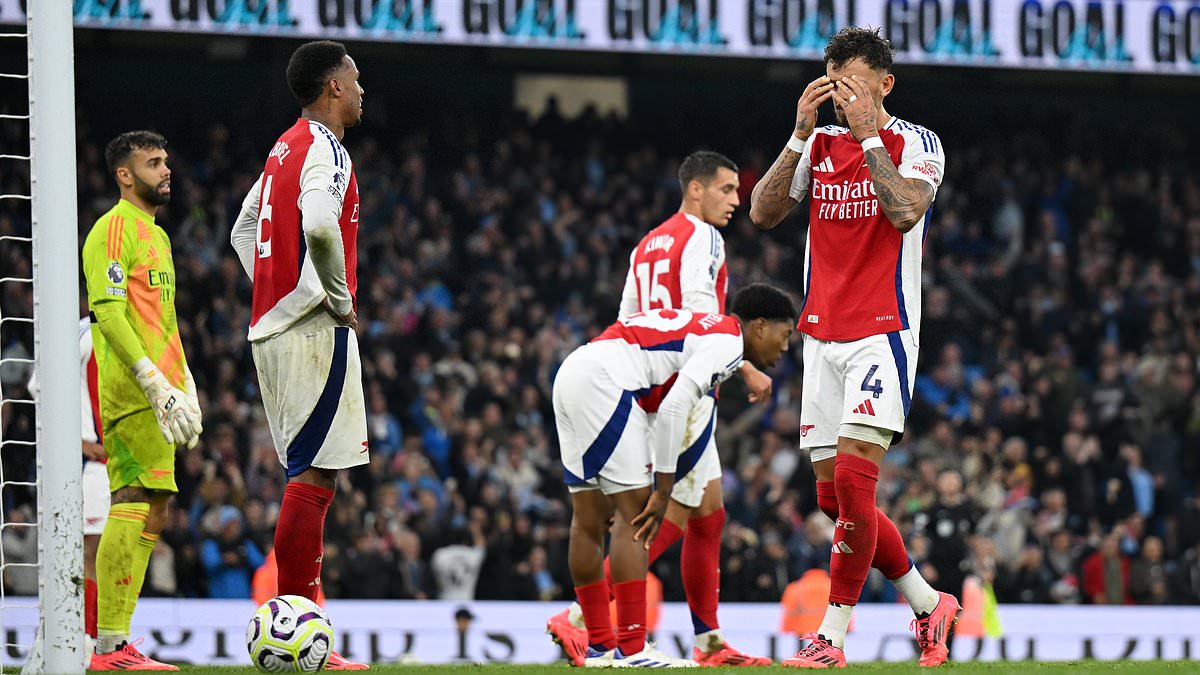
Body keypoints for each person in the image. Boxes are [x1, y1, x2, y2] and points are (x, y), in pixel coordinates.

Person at [748, 27, 956, 668]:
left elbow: (905, 210)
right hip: (822, 334)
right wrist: (799, 134)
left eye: (856, 87)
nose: (843, 99)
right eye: (834, 86)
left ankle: (831, 637)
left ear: (885, 85)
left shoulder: (917, 142)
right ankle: (928, 603)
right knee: (833, 500)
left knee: (853, 483)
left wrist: (869, 134)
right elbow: (762, 212)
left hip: (882, 331)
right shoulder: (821, 143)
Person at [547, 151, 772, 667]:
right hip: (681, 383)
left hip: (643, 372)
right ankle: (588, 620)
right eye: (726, 189)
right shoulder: (703, 237)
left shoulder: (648, 242)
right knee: (662, 508)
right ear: (695, 190)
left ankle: (709, 640)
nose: (736, 200)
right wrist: (741, 363)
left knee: (709, 508)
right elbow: (701, 314)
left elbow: (627, 318)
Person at [555, 284, 796, 668]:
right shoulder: (727, 341)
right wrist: (663, 489)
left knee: (586, 520)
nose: (784, 348)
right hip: (608, 384)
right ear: (759, 327)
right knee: (638, 517)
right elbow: (674, 408)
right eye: (785, 336)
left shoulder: (706, 329)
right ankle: (632, 650)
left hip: (573, 371)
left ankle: (600, 645)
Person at [229, 40, 368, 670]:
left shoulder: (283, 145)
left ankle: (301, 627)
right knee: (313, 477)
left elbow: (243, 228)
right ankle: (297, 624)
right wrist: (333, 297)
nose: (363, 90)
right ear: (333, 86)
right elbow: (317, 224)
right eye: (356, 79)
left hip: (275, 326)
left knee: (307, 474)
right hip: (311, 328)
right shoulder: (325, 146)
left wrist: (271, 288)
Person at [81, 130, 203, 670]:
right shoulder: (112, 231)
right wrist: (152, 383)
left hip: (163, 395)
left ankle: (120, 641)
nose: (165, 169)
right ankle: (108, 647)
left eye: (166, 160)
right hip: (132, 393)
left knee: (156, 504)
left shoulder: (157, 236)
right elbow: (107, 314)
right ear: (124, 175)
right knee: (131, 497)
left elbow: (165, 323)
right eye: (153, 162)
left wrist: (185, 386)